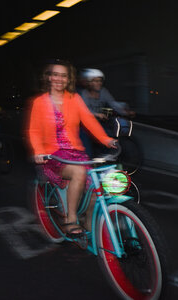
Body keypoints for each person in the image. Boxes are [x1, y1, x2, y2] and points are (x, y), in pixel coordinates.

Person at [27, 59, 117, 236]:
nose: (59, 79)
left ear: (69, 79)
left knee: (95, 186)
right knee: (79, 173)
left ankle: (89, 224)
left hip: (76, 153)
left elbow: (89, 120)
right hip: (52, 156)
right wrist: (38, 151)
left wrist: (106, 140)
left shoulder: (74, 98)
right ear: (49, 77)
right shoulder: (39, 102)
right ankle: (70, 219)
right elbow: (35, 130)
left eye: (64, 75)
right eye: (55, 74)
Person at [78, 68, 136, 157]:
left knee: (111, 134)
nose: (99, 83)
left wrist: (125, 112)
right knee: (86, 143)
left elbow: (113, 103)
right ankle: (88, 160)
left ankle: (107, 155)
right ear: (89, 83)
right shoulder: (84, 94)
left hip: (98, 122)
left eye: (100, 81)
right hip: (86, 125)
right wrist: (95, 114)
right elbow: (83, 110)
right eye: (95, 81)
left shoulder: (103, 91)